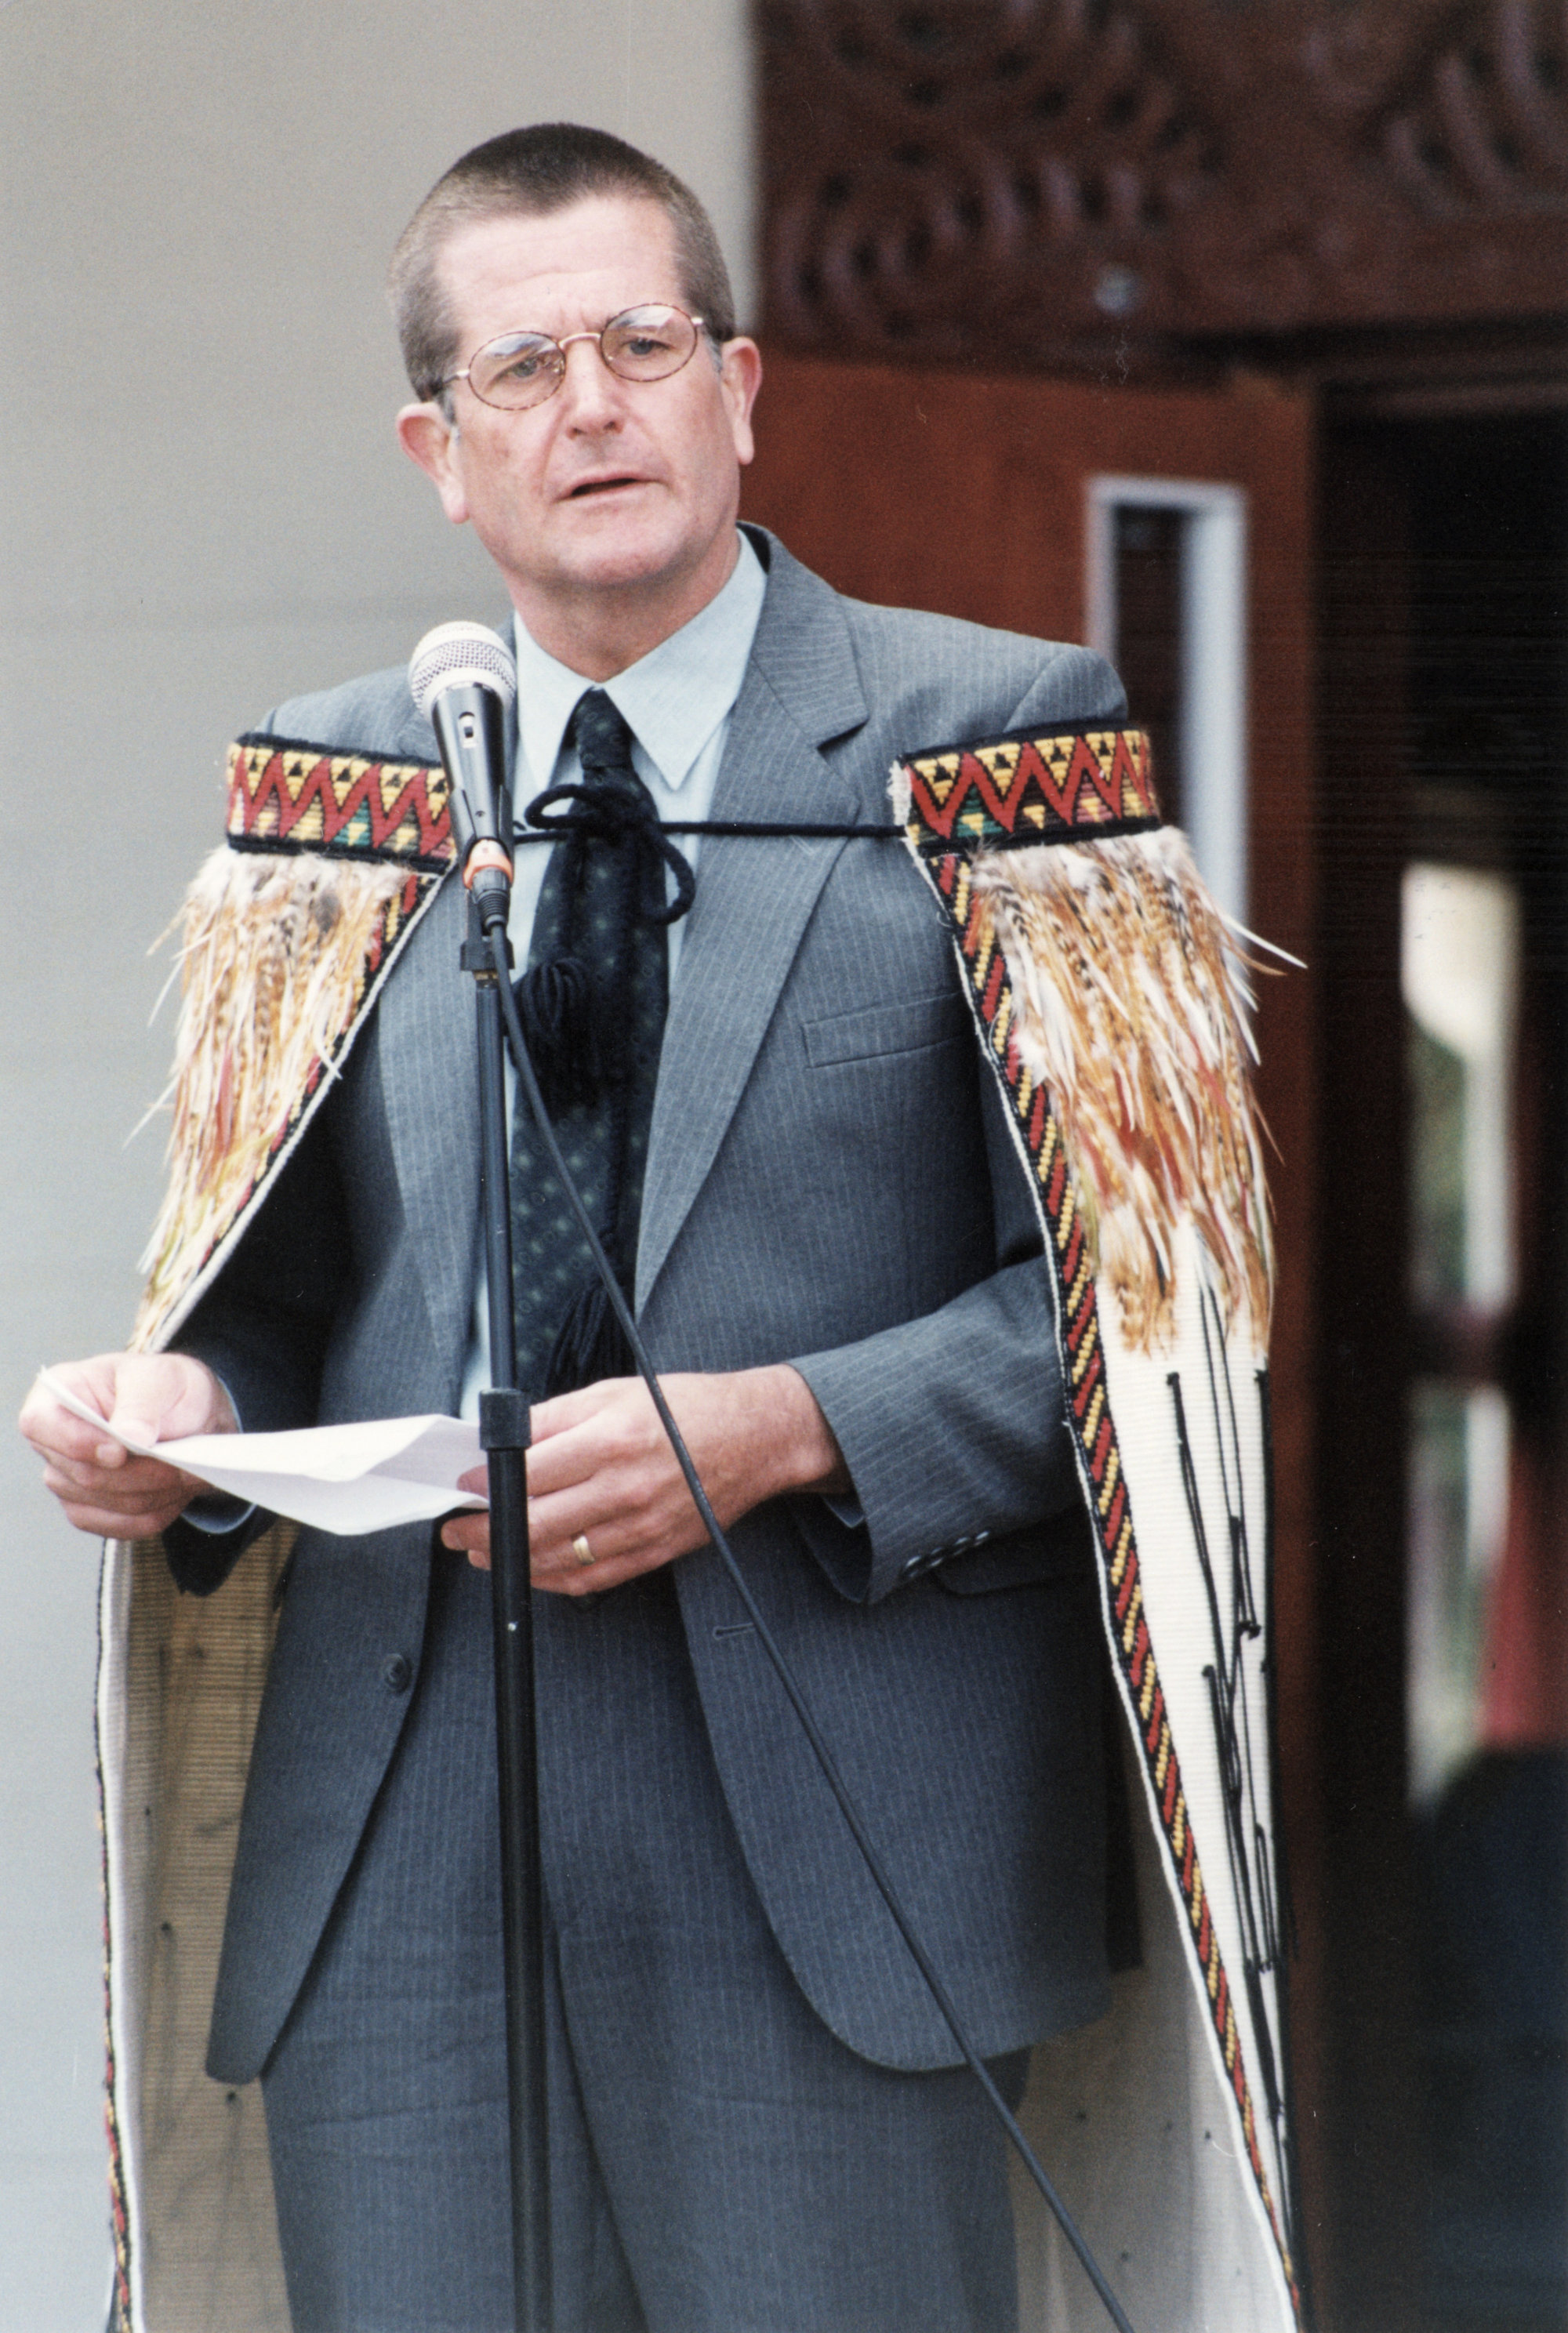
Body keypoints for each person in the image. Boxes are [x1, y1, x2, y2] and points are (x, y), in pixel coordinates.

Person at [22, 126, 1129, 2333]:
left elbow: (1153, 1323)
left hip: (824, 1820)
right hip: (400, 1830)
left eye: (642, 344)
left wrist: (787, 1423)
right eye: (523, 370)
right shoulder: (337, 786)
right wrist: (184, 1411)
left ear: (742, 388)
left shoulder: (994, 746)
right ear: (439, 454)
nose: (592, 407)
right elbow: (276, 1291)